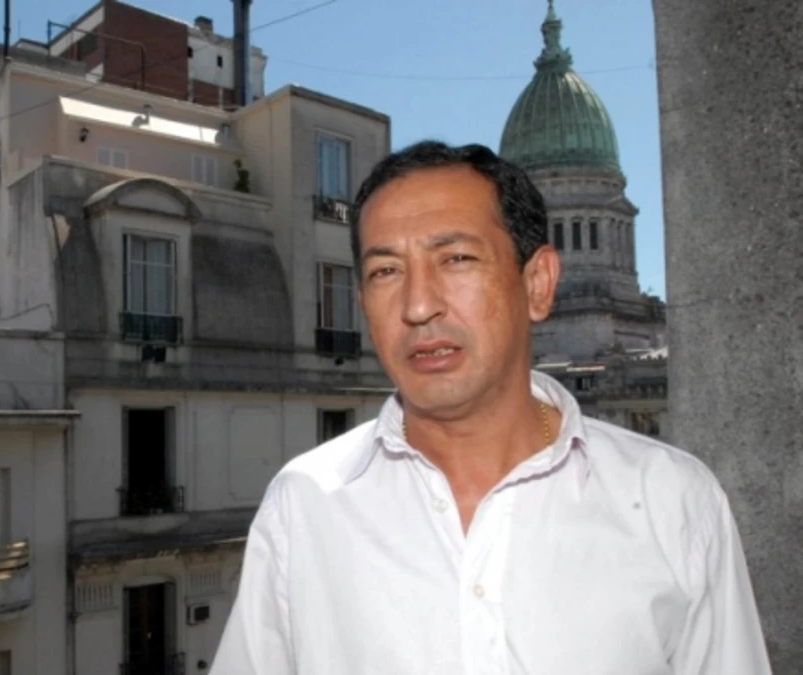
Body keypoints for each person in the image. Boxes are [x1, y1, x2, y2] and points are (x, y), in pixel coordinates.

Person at [210, 141, 772, 674]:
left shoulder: (676, 504)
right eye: (386, 271)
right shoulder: (303, 506)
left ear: (538, 283)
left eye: (456, 258)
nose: (419, 305)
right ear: (362, 301)